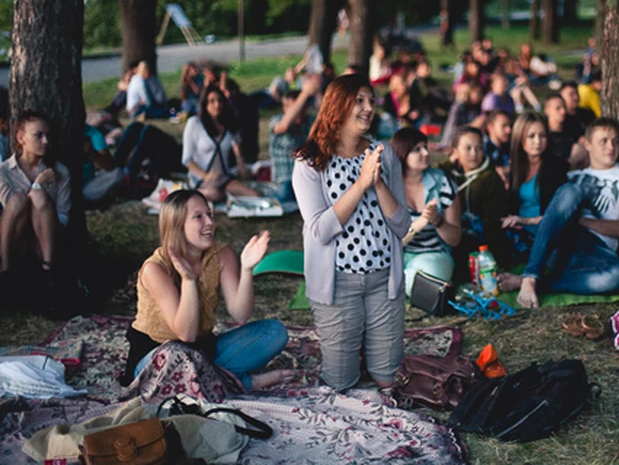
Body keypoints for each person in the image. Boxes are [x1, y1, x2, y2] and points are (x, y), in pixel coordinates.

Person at [292, 75, 410, 391]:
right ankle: (352, 348)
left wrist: (378, 181)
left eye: (371, 100)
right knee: (341, 383)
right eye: (359, 100)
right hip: (338, 284)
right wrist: (360, 185)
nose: (368, 108)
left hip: (385, 280)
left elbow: (402, 226)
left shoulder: (383, 154)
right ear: (337, 106)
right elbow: (320, 231)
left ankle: (369, 348)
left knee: (388, 380)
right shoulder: (310, 162)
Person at [122, 190, 294, 388]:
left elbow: (240, 314)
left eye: (210, 214)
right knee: (176, 357)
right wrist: (188, 280)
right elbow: (186, 335)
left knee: (274, 332)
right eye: (198, 217)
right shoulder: (156, 269)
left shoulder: (221, 253)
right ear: (177, 225)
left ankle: (210, 379)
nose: (210, 222)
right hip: (157, 359)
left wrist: (247, 269)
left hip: (203, 350)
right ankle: (244, 383)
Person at [514, 118, 619, 308]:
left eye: (615, 141)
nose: (611, 147)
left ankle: (534, 282)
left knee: (618, 276)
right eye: (603, 141)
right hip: (560, 243)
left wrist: (579, 220)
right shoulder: (572, 176)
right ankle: (530, 276)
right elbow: (552, 217)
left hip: (594, 251)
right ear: (587, 145)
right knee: (571, 190)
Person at [0, 110, 70, 300]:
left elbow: (64, 216)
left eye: (47, 135)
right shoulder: (4, 172)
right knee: (19, 200)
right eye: (38, 135)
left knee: (39, 197)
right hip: (15, 237)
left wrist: (39, 192)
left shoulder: (59, 171)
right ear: (21, 138)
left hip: (47, 238)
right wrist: (38, 184)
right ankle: (4, 272)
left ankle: (49, 274)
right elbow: (11, 210)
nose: (45, 141)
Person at [496, 113, 569, 282]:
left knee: (556, 260)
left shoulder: (556, 167)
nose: (538, 141)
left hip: (546, 232)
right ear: (520, 138)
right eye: (531, 136)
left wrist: (523, 220)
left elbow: (557, 218)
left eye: (542, 135)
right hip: (520, 231)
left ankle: (526, 278)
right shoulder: (515, 167)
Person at [391, 128, 461, 295]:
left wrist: (438, 221)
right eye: (417, 150)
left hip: (434, 255)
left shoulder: (442, 181)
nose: (425, 153)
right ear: (402, 154)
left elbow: (455, 239)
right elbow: (387, 244)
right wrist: (417, 225)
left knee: (427, 276)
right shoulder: (388, 187)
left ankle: (401, 284)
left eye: (425, 147)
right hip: (397, 256)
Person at [439, 126, 515, 274]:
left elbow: (492, 224)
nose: (474, 154)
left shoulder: (490, 178)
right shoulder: (450, 174)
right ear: (455, 152)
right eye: (467, 148)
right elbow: (438, 170)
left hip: (480, 240)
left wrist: (497, 259)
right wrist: (450, 161)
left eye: (479, 148)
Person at [182, 86, 258, 203]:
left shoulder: (228, 123)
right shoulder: (195, 124)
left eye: (219, 100)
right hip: (202, 180)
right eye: (212, 101)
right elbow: (187, 159)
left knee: (254, 195)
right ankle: (191, 194)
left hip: (224, 178)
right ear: (205, 103)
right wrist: (205, 176)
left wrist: (241, 165)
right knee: (215, 195)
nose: (217, 105)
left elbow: (237, 147)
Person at [269, 75, 321, 202]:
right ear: (285, 109)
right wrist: (305, 92)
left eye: (301, 108)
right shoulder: (276, 121)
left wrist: (317, 91)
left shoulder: (310, 121)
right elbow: (284, 126)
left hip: (309, 177)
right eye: (295, 109)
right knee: (286, 195)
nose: (298, 113)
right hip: (286, 180)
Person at [82, 123, 126, 203]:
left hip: (85, 184)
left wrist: (92, 152)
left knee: (117, 173)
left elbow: (109, 166)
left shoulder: (93, 133)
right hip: (61, 182)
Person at [543, 93, 587, 166]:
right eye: (558, 108)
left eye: (564, 107)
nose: (563, 112)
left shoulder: (574, 128)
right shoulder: (542, 133)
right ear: (547, 110)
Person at [440, 82, 484, 149]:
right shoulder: (459, 107)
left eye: (480, 94)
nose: (478, 96)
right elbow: (455, 128)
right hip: (452, 141)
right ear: (469, 93)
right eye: (476, 93)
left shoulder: (477, 109)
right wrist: (473, 125)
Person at [483, 110, 512, 186]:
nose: (509, 130)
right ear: (490, 127)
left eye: (509, 126)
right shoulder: (482, 150)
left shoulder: (511, 148)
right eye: (504, 126)